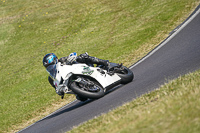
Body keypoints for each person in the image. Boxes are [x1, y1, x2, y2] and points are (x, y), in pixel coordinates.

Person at [42, 52, 110, 99]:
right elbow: (55, 87)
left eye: (51, 65)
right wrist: (59, 91)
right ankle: (87, 88)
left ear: (55, 60)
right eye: (48, 67)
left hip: (83, 68)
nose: (50, 68)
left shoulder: (62, 60)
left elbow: (73, 55)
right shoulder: (51, 77)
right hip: (71, 79)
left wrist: (71, 58)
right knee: (81, 98)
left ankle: (105, 62)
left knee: (83, 57)